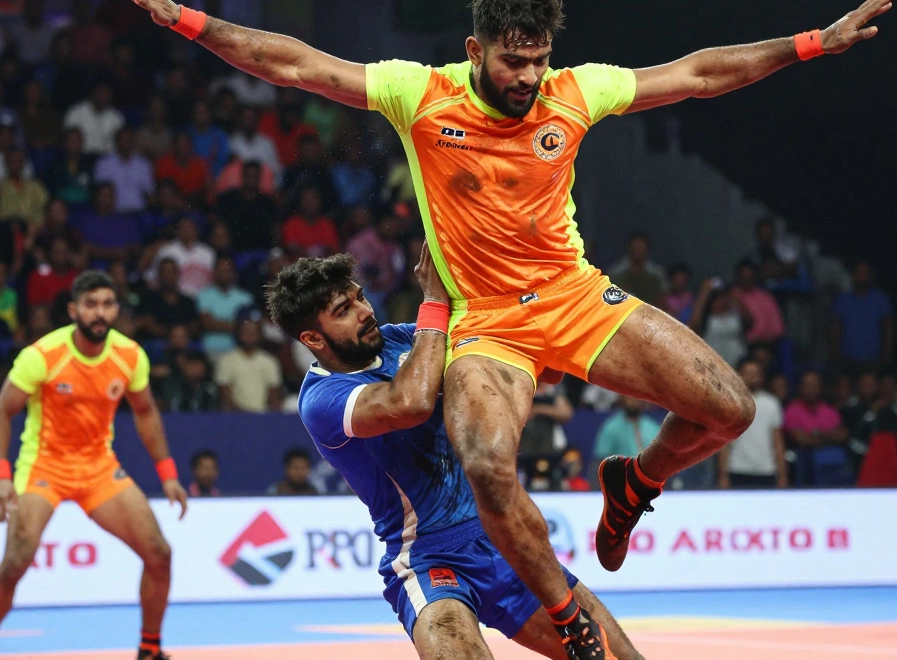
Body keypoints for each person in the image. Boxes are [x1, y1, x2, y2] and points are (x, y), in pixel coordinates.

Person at [105, 0, 893, 641]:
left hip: (577, 298)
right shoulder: (421, 96)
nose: (528, 78)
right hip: (486, 322)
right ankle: (564, 614)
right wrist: (186, 20)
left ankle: (635, 484)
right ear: (477, 50)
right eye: (514, 62)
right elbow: (297, 65)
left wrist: (813, 43)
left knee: (730, 409)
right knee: (486, 466)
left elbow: (698, 75)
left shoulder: (574, 94)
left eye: (540, 61)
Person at [268, 249, 641, 658]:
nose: (363, 310)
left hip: (504, 536)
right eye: (344, 310)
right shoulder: (322, 398)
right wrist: (435, 300)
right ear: (313, 339)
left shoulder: (400, 339)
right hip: (429, 559)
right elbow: (411, 401)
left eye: (359, 297)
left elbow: (503, 357)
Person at [0, 271, 187, 660]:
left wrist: (168, 475)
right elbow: (1, 413)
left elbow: (146, 412)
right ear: (73, 310)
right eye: (90, 304)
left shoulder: (130, 355)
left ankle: (150, 650)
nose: (99, 312)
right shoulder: (42, 355)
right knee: (15, 561)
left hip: (99, 469)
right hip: (43, 467)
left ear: (117, 309)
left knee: (159, 553)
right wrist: (0, 477)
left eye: (106, 304)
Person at [718, 358, 787, 489]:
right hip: (738, 469)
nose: (752, 376)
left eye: (755, 373)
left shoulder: (772, 403)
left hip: (766, 470)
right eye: (747, 373)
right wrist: (723, 475)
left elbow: (778, 442)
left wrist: (782, 475)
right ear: (738, 375)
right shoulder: (730, 403)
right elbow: (723, 444)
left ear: (761, 376)